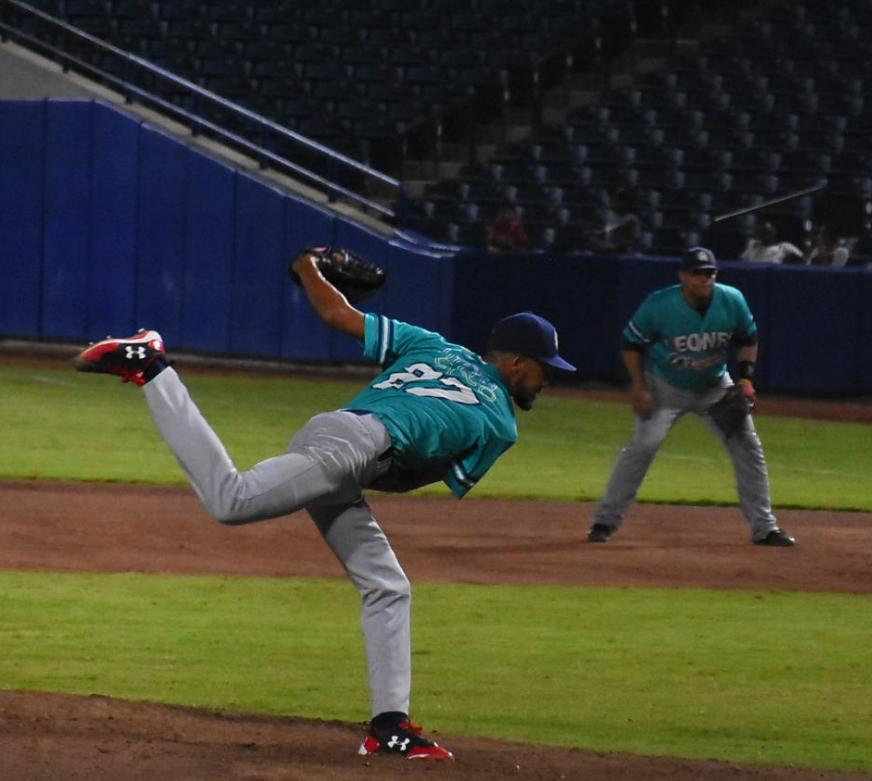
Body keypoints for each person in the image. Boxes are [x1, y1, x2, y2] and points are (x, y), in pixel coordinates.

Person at [72, 253, 576, 762]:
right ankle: (153, 367)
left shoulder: (434, 345)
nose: (547, 381)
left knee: (387, 586)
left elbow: (338, 314)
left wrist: (307, 267)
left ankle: (389, 727)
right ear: (515, 364)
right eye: (543, 370)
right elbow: (411, 477)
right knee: (231, 499)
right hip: (357, 451)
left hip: (341, 436)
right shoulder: (500, 423)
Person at [586, 247, 795, 547]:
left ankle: (765, 528)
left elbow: (748, 339)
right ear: (683, 276)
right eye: (697, 273)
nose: (704, 278)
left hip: (715, 387)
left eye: (709, 273)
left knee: (748, 446)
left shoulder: (731, 299)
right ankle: (605, 521)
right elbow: (631, 343)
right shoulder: (660, 305)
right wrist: (639, 387)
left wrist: (746, 378)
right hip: (665, 388)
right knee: (643, 446)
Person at [587, 187, 641, 254]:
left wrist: (614, 246)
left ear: (624, 203)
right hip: (609, 251)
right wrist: (596, 234)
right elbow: (608, 234)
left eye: (617, 200)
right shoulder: (612, 216)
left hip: (624, 254)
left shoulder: (632, 219)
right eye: (614, 199)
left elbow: (633, 241)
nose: (613, 202)